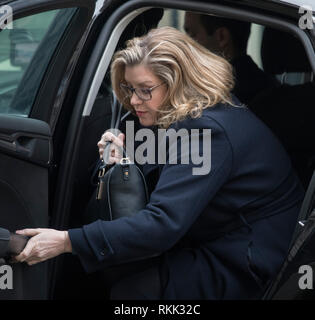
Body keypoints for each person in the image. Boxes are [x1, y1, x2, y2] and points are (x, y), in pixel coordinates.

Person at [14, 26, 304, 300]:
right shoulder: (195, 112)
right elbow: (166, 173)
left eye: (145, 89)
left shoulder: (207, 129)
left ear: (177, 81)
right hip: (221, 234)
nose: (134, 100)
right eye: (129, 89)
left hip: (247, 257)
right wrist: (123, 160)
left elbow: (162, 226)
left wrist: (66, 242)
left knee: (133, 292)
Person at [184, 12, 278, 105]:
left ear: (222, 37)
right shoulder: (271, 89)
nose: (186, 46)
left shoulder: (217, 94)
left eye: (192, 35)